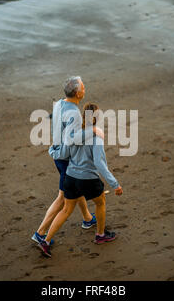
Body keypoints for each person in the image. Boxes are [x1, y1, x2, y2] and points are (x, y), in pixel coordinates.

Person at [39, 102, 123, 258]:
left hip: (70, 177)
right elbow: (99, 163)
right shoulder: (96, 138)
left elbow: (63, 154)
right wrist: (115, 184)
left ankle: (46, 241)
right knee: (101, 202)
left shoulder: (74, 134)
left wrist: (51, 150)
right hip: (88, 178)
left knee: (66, 210)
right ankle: (100, 235)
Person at [31, 76, 101, 245]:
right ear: (77, 93)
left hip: (57, 154)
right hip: (66, 159)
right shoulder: (75, 114)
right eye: (83, 87)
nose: (85, 89)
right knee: (63, 197)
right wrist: (93, 131)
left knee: (76, 189)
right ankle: (40, 233)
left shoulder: (59, 104)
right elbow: (73, 140)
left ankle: (87, 218)